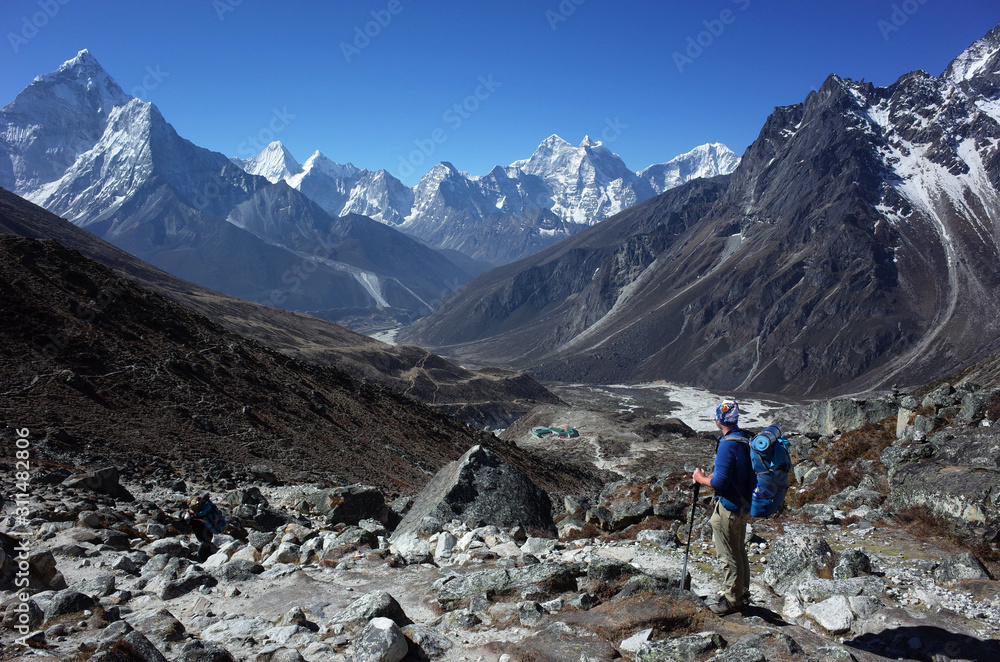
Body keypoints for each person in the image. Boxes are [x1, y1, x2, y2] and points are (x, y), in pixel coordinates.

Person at [692, 399, 755, 615]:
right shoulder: (744, 439)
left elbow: (719, 482)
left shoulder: (728, 443)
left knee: (728, 554)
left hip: (728, 508)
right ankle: (742, 593)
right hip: (743, 506)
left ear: (719, 419)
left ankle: (732, 600)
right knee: (738, 551)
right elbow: (729, 475)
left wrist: (700, 478)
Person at [183, 493, 228, 562]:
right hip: (210, 529)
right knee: (207, 541)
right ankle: (207, 555)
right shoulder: (209, 506)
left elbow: (198, 516)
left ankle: (200, 558)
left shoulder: (201, 513)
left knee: (204, 542)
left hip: (204, 529)